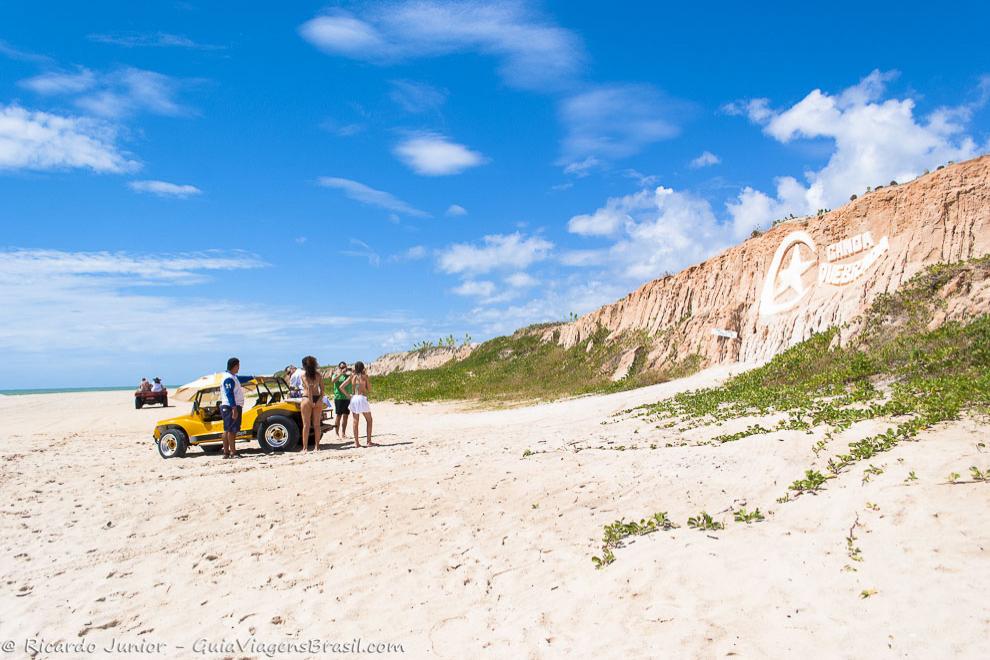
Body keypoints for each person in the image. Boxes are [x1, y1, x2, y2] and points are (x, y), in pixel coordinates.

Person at [220, 357, 250, 459]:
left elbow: (240, 379)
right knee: (232, 430)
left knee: (227, 429)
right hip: (230, 406)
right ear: (235, 366)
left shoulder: (232, 376)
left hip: (229, 406)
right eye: (238, 366)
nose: (239, 368)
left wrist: (253, 377)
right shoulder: (228, 378)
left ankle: (226, 453)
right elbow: (229, 393)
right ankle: (233, 452)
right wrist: (234, 408)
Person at [339, 361, 373, 448]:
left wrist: (348, 396)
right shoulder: (364, 377)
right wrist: (366, 378)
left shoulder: (352, 376)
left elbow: (341, 387)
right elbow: (369, 389)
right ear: (362, 368)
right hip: (362, 398)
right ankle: (368, 442)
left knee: (355, 421)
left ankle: (356, 443)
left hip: (354, 398)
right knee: (369, 420)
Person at [299, 355, 325, 453]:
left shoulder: (303, 375)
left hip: (306, 399)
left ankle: (305, 448)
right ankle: (317, 447)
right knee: (317, 425)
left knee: (306, 425)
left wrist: (310, 401)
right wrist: (319, 399)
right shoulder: (318, 375)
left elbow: (309, 387)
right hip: (317, 398)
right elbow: (322, 389)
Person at [331, 362, 352, 439]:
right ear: (339, 368)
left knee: (346, 416)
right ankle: (336, 433)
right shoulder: (336, 374)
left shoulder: (348, 375)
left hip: (347, 398)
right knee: (338, 416)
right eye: (342, 367)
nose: (343, 368)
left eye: (344, 367)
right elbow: (333, 381)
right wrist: (340, 374)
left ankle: (343, 433)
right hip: (339, 398)